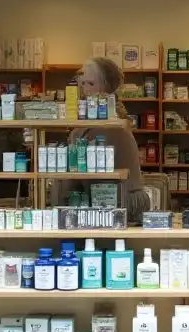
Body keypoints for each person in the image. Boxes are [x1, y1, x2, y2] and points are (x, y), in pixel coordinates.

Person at [52, 56, 151, 223]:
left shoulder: (111, 124)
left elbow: (85, 176)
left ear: (107, 88)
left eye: (91, 84)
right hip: (101, 201)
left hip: (120, 204)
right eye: (82, 83)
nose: (85, 90)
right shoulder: (88, 123)